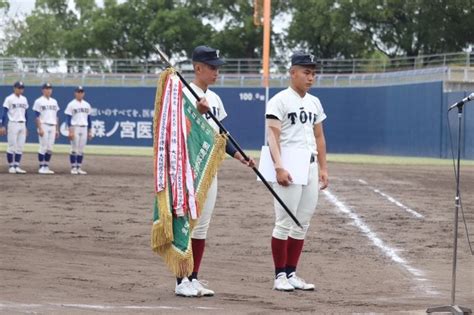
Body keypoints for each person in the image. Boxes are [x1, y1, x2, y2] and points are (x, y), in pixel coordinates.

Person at [174, 45, 255, 297]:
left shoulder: (216, 99)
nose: (216, 71)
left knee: (202, 227)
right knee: (186, 225)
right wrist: (196, 114)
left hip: (210, 168)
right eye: (212, 67)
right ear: (198, 68)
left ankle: (194, 277)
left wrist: (238, 154)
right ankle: (180, 281)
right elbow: (178, 131)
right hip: (189, 170)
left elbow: (221, 135)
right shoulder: (182, 94)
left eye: (218, 67)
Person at [265, 52, 329, 292]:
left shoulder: (314, 102)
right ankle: (279, 275)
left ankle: (291, 272)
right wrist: (279, 166)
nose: (310, 77)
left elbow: (319, 136)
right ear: (292, 73)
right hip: (289, 163)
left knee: (302, 222)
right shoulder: (279, 100)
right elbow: (273, 134)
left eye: (313, 73)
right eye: (306, 72)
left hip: (310, 164)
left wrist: (323, 167)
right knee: (283, 222)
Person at [0, 81, 29, 174]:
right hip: (13, 123)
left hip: (22, 124)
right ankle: (11, 166)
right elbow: (4, 113)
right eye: (19, 88)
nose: (20, 89)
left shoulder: (24, 99)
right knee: (12, 145)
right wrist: (2, 125)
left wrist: (26, 126)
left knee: (20, 146)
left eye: (22, 88)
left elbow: (26, 114)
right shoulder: (9, 99)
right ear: (14, 88)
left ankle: (17, 165)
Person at [64, 86, 92, 175]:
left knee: (81, 149)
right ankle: (73, 168)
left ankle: (79, 167)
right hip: (75, 127)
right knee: (74, 149)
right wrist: (70, 130)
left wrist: (90, 131)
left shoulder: (87, 104)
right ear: (75, 93)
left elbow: (89, 119)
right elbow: (68, 119)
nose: (80, 94)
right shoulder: (71, 104)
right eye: (78, 92)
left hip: (84, 127)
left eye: (81, 92)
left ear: (83, 93)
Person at [33, 83, 60, 174]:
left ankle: (46, 166)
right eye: (46, 88)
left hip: (52, 126)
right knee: (43, 147)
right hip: (43, 125)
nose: (48, 90)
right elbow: (37, 116)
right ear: (43, 90)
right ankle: (41, 167)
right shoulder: (39, 101)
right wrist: (39, 128)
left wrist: (57, 129)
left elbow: (56, 116)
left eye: (50, 88)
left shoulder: (54, 101)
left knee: (50, 148)